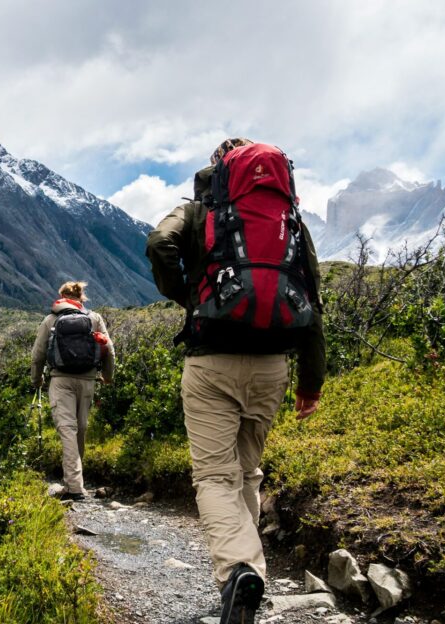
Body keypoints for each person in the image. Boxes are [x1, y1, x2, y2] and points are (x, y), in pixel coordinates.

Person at [146, 138, 326, 624]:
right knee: (247, 471)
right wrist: (312, 382)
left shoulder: (200, 210)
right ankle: (252, 572)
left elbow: (158, 243)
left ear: (219, 169)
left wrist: (189, 295)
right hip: (273, 365)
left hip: (212, 361)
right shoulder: (290, 220)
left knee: (212, 476)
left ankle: (239, 571)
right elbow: (311, 299)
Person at [31, 281, 115, 501]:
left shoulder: (51, 319)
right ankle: (76, 482)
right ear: (81, 298)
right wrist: (107, 377)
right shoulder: (94, 318)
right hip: (88, 381)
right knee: (80, 429)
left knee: (67, 429)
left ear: (61, 297)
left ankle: (74, 487)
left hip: (60, 381)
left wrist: (37, 379)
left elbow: (37, 355)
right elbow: (109, 350)